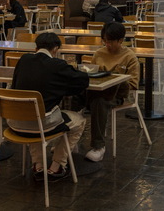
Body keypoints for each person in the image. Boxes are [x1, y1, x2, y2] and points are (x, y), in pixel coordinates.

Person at [8, 33, 89, 181]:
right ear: (55, 49)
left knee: (33, 113)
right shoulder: (57, 65)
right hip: (42, 124)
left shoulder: (23, 60)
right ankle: (57, 166)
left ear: (36, 47)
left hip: (15, 122)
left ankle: (38, 165)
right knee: (79, 121)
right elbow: (83, 80)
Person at [85, 22, 140, 162]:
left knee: (99, 102)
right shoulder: (99, 53)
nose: (107, 44)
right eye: (104, 40)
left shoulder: (130, 57)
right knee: (71, 96)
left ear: (120, 40)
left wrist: (114, 80)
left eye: (110, 41)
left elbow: (133, 84)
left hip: (118, 95)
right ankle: (67, 142)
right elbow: (92, 74)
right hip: (97, 90)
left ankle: (99, 147)